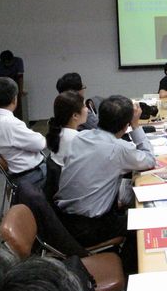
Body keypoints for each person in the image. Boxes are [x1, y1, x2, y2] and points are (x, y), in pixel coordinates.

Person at [55, 95, 155, 273]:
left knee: (129, 198)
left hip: (64, 218)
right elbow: (149, 160)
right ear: (125, 125)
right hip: (89, 227)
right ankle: (127, 271)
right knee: (144, 221)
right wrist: (136, 126)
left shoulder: (80, 137)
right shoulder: (118, 148)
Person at [0, 77, 47, 188]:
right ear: (14, 99)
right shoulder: (12, 124)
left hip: (13, 178)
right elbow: (41, 144)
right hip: (35, 176)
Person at [46, 91, 88, 167]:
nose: (87, 109)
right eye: (85, 106)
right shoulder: (77, 138)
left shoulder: (58, 132)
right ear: (75, 115)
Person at [0, 50, 25, 119]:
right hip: (3, 86)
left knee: (19, 107)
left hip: (15, 83)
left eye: (9, 62)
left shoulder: (18, 61)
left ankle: (19, 119)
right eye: (6, 63)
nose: (8, 64)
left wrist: (21, 90)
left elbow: (20, 77)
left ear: (12, 59)